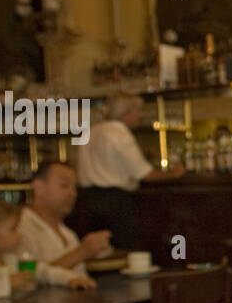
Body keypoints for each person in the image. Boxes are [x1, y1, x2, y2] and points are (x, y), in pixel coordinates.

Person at [19, 159, 160, 303]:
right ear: (38, 188)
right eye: (64, 185)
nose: (72, 194)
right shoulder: (21, 228)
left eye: (74, 187)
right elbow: (28, 279)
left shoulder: (66, 232)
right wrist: (82, 252)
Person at [74, 92, 185, 249]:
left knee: (96, 251)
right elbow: (144, 174)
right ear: (126, 112)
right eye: (137, 110)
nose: (139, 115)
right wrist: (173, 174)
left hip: (86, 202)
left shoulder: (91, 131)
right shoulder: (119, 132)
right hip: (114, 203)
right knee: (123, 250)